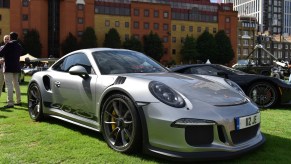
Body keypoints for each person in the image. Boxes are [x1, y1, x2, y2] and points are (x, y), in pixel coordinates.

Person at [0, 32, 22, 108]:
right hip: (16, 67)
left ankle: (10, 103)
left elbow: (1, 53)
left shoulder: (8, 44)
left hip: (8, 67)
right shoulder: (19, 46)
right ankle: (19, 101)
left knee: (9, 85)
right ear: (17, 37)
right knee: (16, 84)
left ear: (10, 37)